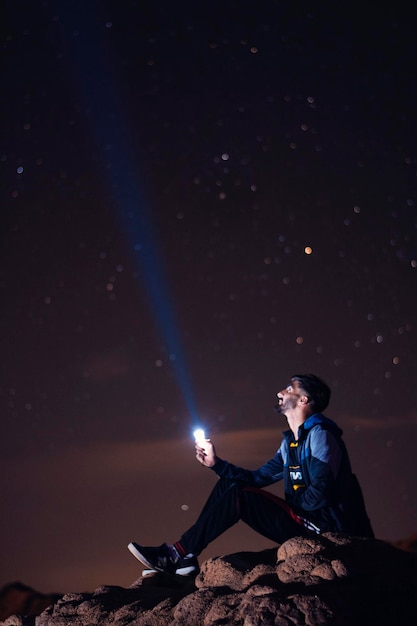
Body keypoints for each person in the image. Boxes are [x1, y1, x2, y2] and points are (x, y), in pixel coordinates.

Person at [128, 373, 374, 576]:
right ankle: (185, 555)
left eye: (290, 388)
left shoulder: (320, 435)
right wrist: (216, 464)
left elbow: (322, 491)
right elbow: (256, 479)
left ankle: (175, 555)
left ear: (304, 399)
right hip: (303, 519)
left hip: (324, 528)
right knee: (230, 484)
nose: (280, 392)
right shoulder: (290, 444)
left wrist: (291, 508)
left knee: (241, 496)